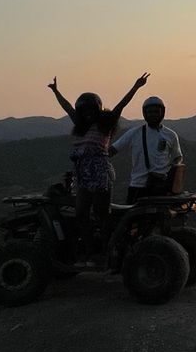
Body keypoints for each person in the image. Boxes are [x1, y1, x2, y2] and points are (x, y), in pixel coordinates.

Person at [48, 73, 150, 260]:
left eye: (90, 110)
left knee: (102, 213)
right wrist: (56, 91)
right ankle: (90, 249)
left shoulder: (105, 125)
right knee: (81, 214)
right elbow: (67, 107)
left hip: (100, 172)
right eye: (83, 110)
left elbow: (121, 105)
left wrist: (136, 86)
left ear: (97, 110)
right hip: (83, 174)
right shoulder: (79, 125)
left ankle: (109, 249)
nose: (87, 113)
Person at [111, 95, 183, 203]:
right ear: (144, 114)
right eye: (149, 112)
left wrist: (170, 171)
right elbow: (113, 149)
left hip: (160, 187)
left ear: (162, 112)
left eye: (156, 111)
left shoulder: (171, 135)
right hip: (138, 185)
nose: (153, 114)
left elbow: (177, 157)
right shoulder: (135, 133)